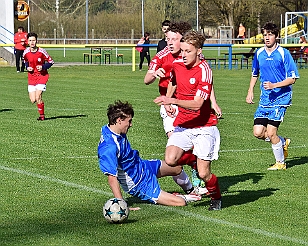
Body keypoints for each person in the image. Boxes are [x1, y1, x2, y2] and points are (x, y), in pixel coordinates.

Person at [144, 22, 222, 189]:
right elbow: (147, 80)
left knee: (186, 156)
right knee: (172, 155)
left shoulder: (196, 58)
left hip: (187, 105)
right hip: (170, 105)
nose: (170, 42)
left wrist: (213, 102)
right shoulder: (163, 55)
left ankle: (198, 173)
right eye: (168, 39)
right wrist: (166, 97)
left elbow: (207, 81)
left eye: (174, 39)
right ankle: (192, 181)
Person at [97, 100, 202, 206]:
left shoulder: (112, 129)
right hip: (139, 183)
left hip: (142, 166)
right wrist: (121, 205)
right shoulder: (109, 147)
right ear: (119, 120)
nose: (131, 124)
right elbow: (112, 178)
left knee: (177, 167)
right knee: (181, 203)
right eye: (129, 121)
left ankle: (190, 190)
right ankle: (178, 197)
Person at [245, 22, 299, 170]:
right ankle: (282, 142)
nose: (267, 38)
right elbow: (255, 73)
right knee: (258, 132)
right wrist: (250, 91)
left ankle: (280, 163)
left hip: (281, 98)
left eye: (270, 35)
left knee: (271, 132)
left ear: (276, 36)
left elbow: (292, 78)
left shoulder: (283, 53)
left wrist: (274, 85)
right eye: (265, 35)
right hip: (265, 99)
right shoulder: (259, 53)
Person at [23, 32, 54, 121]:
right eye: (30, 40)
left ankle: (42, 116)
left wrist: (43, 67)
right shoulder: (26, 52)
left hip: (42, 76)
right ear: (27, 41)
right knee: (33, 100)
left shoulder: (41, 51)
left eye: (33, 40)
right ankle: (41, 109)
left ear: (36, 41)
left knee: (38, 96)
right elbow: (25, 60)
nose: (32, 42)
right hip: (32, 77)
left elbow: (51, 62)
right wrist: (27, 67)